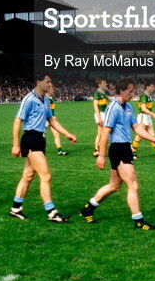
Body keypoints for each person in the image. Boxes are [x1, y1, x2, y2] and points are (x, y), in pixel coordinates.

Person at [79, 77, 155, 230]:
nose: (132, 94)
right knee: (133, 185)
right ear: (121, 91)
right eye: (130, 91)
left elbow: (137, 127)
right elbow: (105, 132)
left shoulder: (129, 107)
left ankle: (88, 209)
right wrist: (101, 155)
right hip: (118, 149)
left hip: (124, 148)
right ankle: (138, 220)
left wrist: (153, 138)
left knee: (114, 185)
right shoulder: (114, 107)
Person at [9, 74, 77, 222]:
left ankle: (15, 208)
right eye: (48, 81)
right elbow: (17, 121)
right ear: (39, 82)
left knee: (28, 176)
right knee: (45, 176)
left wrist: (66, 134)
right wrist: (15, 145)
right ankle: (51, 212)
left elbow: (51, 119)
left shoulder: (45, 100)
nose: (50, 84)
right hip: (31, 139)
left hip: (40, 139)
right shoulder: (29, 99)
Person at [133, 83, 155, 158]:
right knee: (139, 136)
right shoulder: (144, 96)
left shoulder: (148, 96)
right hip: (143, 116)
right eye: (152, 87)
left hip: (147, 117)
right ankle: (132, 153)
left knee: (153, 136)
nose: (153, 88)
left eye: (154, 87)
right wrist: (153, 114)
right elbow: (143, 108)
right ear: (146, 87)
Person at [91, 79, 110, 157]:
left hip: (104, 114)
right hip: (100, 114)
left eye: (105, 83)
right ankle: (97, 149)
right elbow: (95, 106)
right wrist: (99, 118)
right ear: (99, 85)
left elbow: (110, 100)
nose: (105, 84)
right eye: (104, 83)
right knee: (102, 132)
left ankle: (97, 149)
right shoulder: (97, 94)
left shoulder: (104, 93)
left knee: (101, 132)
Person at [49, 89, 69, 156]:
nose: (53, 90)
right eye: (52, 89)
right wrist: (52, 116)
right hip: (45, 119)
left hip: (51, 119)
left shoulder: (50, 98)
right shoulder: (45, 98)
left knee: (56, 134)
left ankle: (60, 151)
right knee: (39, 135)